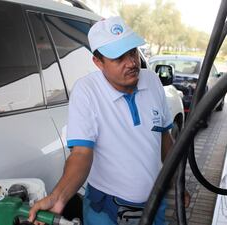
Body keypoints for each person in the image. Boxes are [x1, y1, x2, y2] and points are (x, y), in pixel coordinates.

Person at [28, 16, 189, 225]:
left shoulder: (151, 80)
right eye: (119, 58)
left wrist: (178, 182)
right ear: (98, 62)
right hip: (107, 212)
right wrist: (58, 197)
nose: (131, 63)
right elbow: (81, 154)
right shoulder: (87, 92)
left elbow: (164, 139)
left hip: (154, 204)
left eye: (132, 52)